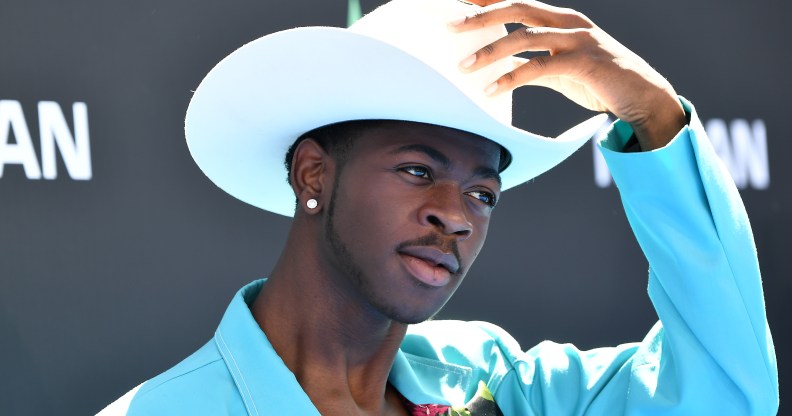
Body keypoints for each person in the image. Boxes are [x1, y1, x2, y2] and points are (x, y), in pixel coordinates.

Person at [100, 0, 779, 414]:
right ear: (313, 172)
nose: (455, 215)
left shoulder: (497, 383)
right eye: (417, 169)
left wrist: (652, 113)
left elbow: (727, 392)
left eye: (483, 193)